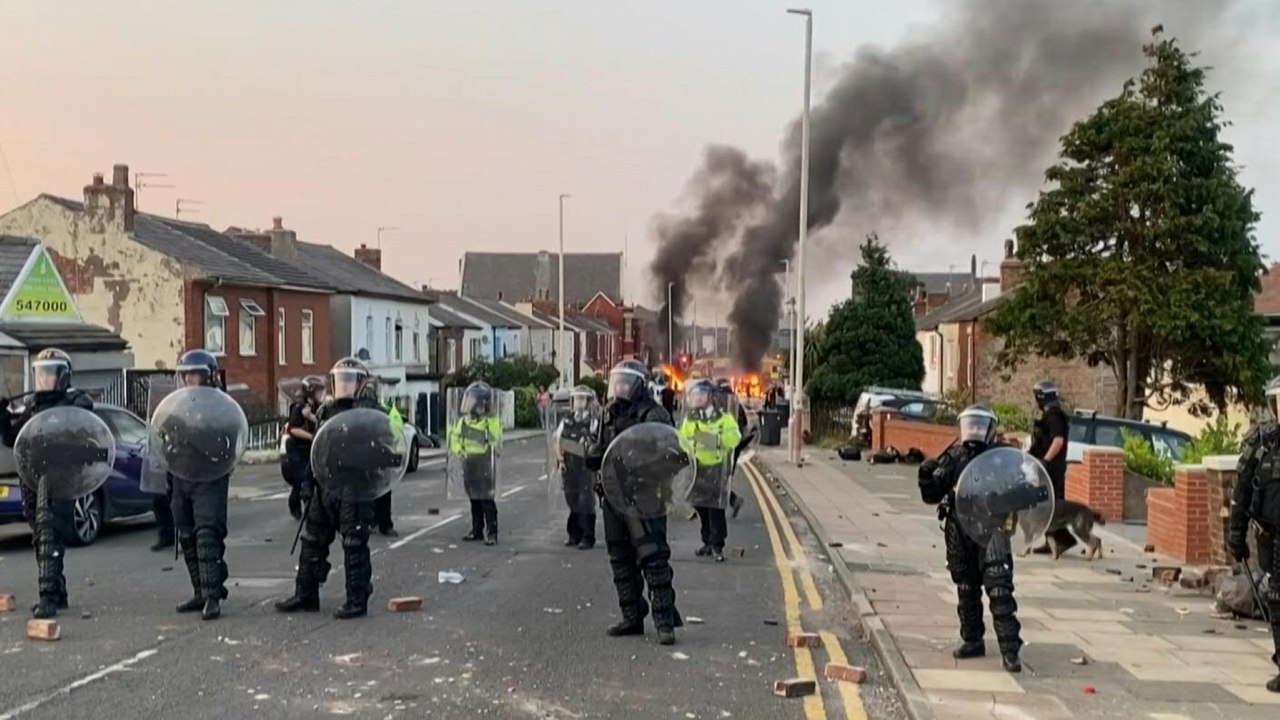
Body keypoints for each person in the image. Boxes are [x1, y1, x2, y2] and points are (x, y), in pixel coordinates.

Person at [917, 405, 1024, 673]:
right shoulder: (953, 456)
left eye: (980, 425)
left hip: (992, 528)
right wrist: (926, 478)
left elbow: (1020, 490)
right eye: (971, 424)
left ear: (989, 429)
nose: (975, 429)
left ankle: (1010, 651)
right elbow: (932, 496)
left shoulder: (1001, 458)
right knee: (966, 588)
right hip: (959, 528)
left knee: (999, 589)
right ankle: (972, 639)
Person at [276, 357, 384, 619]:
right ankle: (306, 594)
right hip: (325, 485)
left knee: (353, 542)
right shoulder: (325, 411)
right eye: (340, 380)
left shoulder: (370, 413)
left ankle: (357, 598)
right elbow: (318, 450)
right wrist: (308, 481)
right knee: (312, 540)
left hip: (354, 486)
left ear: (360, 384)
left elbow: (379, 451)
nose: (344, 386)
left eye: (349, 381)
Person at [587, 359, 683, 645]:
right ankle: (632, 617)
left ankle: (664, 622)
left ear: (639, 385)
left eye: (626, 382)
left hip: (644, 497)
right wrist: (592, 455)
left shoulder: (654, 415)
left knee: (653, 558)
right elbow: (600, 448)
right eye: (617, 381)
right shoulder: (607, 414)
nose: (620, 387)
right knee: (620, 559)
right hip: (614, 496)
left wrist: (645, 468)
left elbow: (672, 454)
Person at [0, 348, 92, 619]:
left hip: (59, 477)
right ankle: (59, 592)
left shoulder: (76, 401)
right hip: (32, 477)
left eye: (49, 373)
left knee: (49, 533)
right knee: (41, 536)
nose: (43, 379)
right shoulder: (31, 406)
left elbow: (81, 429)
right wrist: (3, 419)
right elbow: (14, 440)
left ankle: (48, 597)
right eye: (40, 374)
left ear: (62, 376)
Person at [169, 349, 233, 621]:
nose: (189, 380)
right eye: (186, 375)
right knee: (187, 535)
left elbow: (229, 437)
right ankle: (199, 590)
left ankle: (213, 596)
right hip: (181, 475)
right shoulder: (177, 405)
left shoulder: (220, 405)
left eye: (194, 374)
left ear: (208, 377)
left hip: (209, 476)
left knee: (207, 535)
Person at [1227, 375, 1280, 694]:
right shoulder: (1261, 443)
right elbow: (1241, 490)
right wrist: (1236, 533)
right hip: (1271, 537)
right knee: (1276, 600)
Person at [680, 379, 741, 562]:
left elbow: (734, 438)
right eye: (695, 395)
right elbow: (683, 439)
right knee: (701, 506)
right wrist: (693, 443)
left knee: (716, 507)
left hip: (716, 467)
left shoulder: (724, 418)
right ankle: (706, 541)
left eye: (701, 394)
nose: (697, 398)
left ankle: (717, 545)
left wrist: (714, 440)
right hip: (697, 467)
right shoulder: (691, 418)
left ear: (711, 397)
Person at [449, 382, 503, 545]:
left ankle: (492, 533)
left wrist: (491, 443)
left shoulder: (490, 421)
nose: (468, 404)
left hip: (484, 462)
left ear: (481, 404)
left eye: (472, 401)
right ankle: (477, 530)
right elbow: (455, 438)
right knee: (473, 498)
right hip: (469, 460)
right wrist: (459, 450)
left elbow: (496, 439)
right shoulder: (464, 421)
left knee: (486, 499)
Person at [553, 385, 601, 549]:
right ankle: (574, 534)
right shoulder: (567, 419)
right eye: (576, 398)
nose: (578, 402)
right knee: (572, 499)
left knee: (585, 501)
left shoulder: (593, 421)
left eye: (582, 398)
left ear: (588, 401)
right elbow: (557, 441)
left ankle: (588, 536)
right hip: (570, 466)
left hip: (585, 467)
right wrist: (560, 459)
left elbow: (597, 442)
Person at [1029, 380, 1073, 555]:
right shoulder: (1049, 416)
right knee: (1046, 506)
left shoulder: (1055, 417)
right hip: (1047, 468)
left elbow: (1058, 441)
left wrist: (1045, 460)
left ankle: (1062, 541)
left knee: (1053, 506)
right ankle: (1051, 541)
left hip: (1052, 469)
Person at [283, 376, 324, 521]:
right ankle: (295, 506)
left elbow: (321, 421)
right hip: (297, 448)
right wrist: (312, 437)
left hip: (310, 448)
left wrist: (312, 417)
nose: (321, 394)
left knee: (311, 477)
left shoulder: (315, 408)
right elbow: (293, 429)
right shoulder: (299, 407)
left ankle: (311, 508)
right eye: (319, 391)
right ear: (311, 392)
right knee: (300, 479)